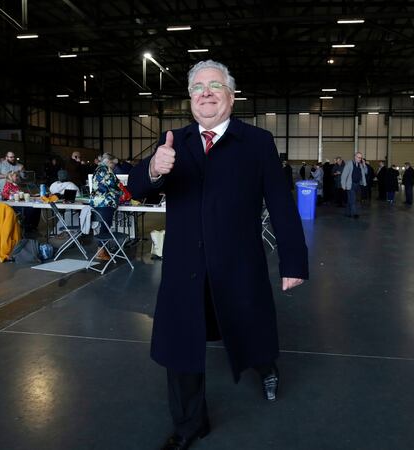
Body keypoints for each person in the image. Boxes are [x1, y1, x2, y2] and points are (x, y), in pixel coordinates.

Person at [128, 59, 308, 450]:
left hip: (237, 264)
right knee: (182, 345)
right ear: (190, 98)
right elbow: (139, 187)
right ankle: (190, 425)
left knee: (248, 326)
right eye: (197, 87)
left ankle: (266, 367)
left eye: (214, 85)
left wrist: (293, 260)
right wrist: (155, 169)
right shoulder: (174, 139)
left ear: (231, 95)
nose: (205, 93)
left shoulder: (257, 142)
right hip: (184, 268)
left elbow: (280, 203)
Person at [89, 153, 122, 260]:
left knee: (104, 226)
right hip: (106, 203)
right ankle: (101, 251)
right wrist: (122, 192)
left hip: (97, 202)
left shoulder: (98, 169)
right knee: (105, 227)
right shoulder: (106, 170)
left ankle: (102, 249)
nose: (114, 167)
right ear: (108, 161)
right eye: (113, 164)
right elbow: (112, 185)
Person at [340, 152, 367, 218]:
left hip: (357, 184)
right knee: (353, 199)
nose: (360, 159)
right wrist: (343, 185)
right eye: (358, 157)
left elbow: (365, 172)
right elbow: (344, 175)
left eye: (361, 157)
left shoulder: (360, 165)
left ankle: (347, 213)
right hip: (350, 184)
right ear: (355, 157)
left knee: (350, 199)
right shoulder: (349, 163)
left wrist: (364, 165)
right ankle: (354, 214)